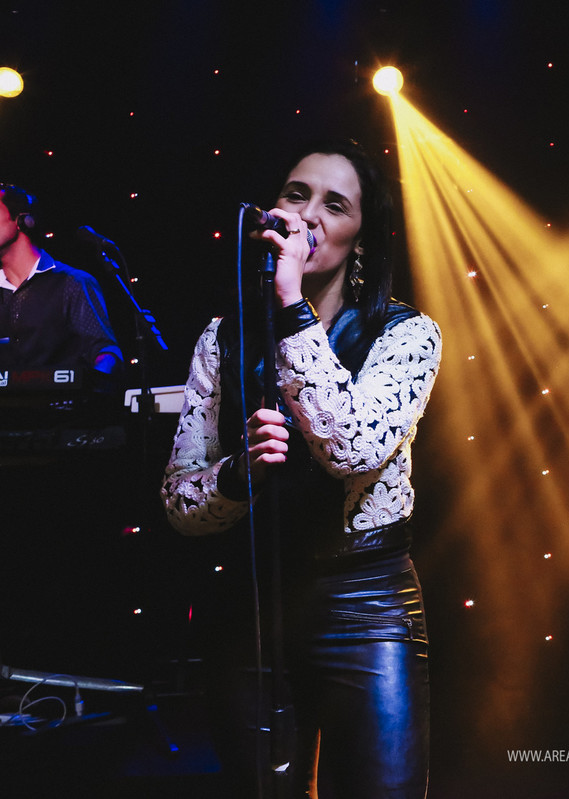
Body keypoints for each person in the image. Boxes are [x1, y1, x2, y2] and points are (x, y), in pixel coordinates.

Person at [161, 139, 441, 798]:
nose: (309, 214)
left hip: (364, 604)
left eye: (334, 204)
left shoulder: (407, 335)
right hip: (254, 605)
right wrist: (238, 474)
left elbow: (350, 448)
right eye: (296, 194)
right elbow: (178, 500)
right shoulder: (222, 337)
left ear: (360, 236)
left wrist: (291, 306)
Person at [0, 182, 122, 378]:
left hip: (58, 405)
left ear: (23, 220)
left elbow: (105, 352)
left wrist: (85, 392)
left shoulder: (71, 282)